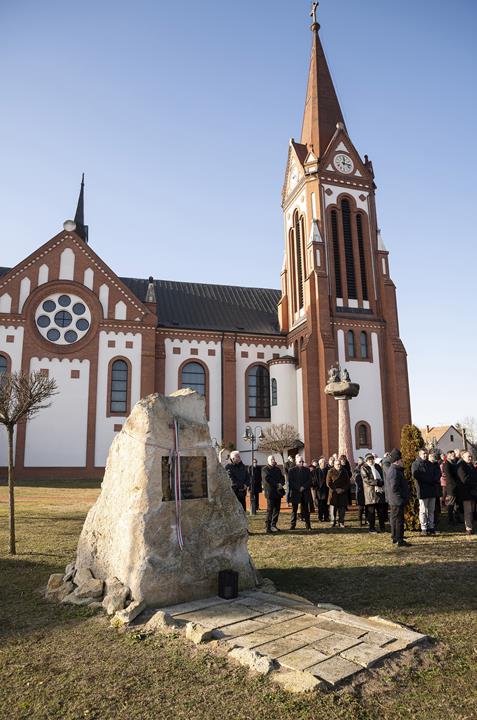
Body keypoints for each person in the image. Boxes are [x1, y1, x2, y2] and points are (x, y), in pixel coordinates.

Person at [384, 448, 411, 547]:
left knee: (395, 519)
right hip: (397, 500)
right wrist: (401, 497)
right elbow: (393, 487)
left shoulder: (394, 469)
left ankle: (395, 537)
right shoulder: (394, 471)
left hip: (395, 500)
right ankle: (399, 539)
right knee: (398, 520)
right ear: (397, 461)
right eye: (401, 460)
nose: (402, 462)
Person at [411, 449, 440, 535]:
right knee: (423, 510)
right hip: (423, 490)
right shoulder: (415, 464)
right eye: (423, 454)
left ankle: (431, 527)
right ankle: (424, 528)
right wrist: (429, 480)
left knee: (431, 510)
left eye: (426, 454)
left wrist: (434, 480)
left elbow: (435, 473)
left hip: (431, 490)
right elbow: (416, 475)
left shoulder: (429, 464)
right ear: (419, 454)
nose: (425, 455)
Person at [361, 453, 386, 533]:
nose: (370, 461)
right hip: (370, 493)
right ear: (366, 460)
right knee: (371, 513)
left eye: (371, 459)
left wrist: (382, 482)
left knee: (381, 512)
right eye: (369, 459)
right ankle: (371, 528)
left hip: (380, 492)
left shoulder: (377, 466)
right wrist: (377, 482)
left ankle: (382, 527)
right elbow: (366, 479)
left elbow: (382, 475)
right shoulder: (364, 468)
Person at [287, 454, 313, 530]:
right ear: (296, 462)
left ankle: (308, 525)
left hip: (305, 492)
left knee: (306, 510)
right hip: (296, 492)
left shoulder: (307, 470)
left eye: (302, 461)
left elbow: (309, 480)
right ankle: (292, 525)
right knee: (294, 510)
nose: (301, 463)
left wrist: (303, 487)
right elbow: (290, 481)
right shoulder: (291, 470)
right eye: (299, 461)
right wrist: (298, 487)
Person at [261, 455, 285, 533]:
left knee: (277, 510)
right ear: (268, 461)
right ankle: (268, 527)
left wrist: (281, 483)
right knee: (270, 510)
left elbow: (282, 477)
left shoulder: (277, 469)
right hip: (270, 493)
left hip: (278, 492)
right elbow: (267, 479)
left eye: (273, 459)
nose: (273, 460)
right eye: (271, 459)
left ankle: (273, 525)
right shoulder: (265, 469)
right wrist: (277, 484)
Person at [456, 451, 477, 535]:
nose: (470, 458)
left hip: (473, 491)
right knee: (468, 511)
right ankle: (469, 528)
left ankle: (471, 526)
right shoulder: (461, 466)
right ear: (463, 457)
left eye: (471, 456)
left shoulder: (471, 465)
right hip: (466, 492)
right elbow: (464, 479)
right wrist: (475, 484)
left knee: (472, 510)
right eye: (468, 456)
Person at [327, 458, 350, 528]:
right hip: (333, 493)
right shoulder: (330, 471)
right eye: (337, 464)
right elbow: (328, 483)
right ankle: (333, 522)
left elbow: (348, 482)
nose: (339, 466)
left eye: (340, 464)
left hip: (342, 493)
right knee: (333, 508)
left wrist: (343, 489)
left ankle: (341, 522)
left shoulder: (344, 471)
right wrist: (335, 489)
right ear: (334, 465)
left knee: (342, 509)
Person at [442, 449, 459, 525]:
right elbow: (449, 476)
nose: (454, 456)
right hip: (451, 486)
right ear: (448, 455)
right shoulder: (447, 464)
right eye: (452, 455)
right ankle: (450, 520)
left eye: (454, 455)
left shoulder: (453, 463)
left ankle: (456, 518)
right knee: (451, 504)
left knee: (455, 504)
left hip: (455, 486)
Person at [311, 457, 330, 521]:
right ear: (320, 463)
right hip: (319, 490)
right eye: (323, 463)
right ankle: (320, 517)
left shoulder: (328, 470)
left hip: (326, 490)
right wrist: (316, 487)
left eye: (325, 462)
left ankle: (326, 517)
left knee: (326, 505)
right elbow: (313, 481)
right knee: (320, 505)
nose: (324, 464)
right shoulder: (315, 471)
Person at [428, 451, 443, 530]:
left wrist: (434, 479)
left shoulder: (436, 465)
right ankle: (432, 521)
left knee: (436, 505)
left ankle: (435, 520)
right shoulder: (427, 464)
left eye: (433, 457)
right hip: (430, 488)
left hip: (436, 487)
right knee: (431, 507)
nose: (432, 458)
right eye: (430, 457)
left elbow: (438, 474)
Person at [353, 457, 366, 525]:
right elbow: (355, 479)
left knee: (367, 506)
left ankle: (367, 520)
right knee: (361, 506)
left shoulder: (366, 468)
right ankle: (360, 520)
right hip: (360, 490)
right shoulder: (356, 470)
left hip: (366, 490)